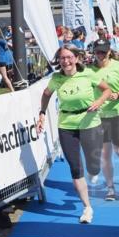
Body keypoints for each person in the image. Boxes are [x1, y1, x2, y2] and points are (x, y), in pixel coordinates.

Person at [37, 45, 112, 224]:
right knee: (75, 168)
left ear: (77, 58)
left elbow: (107, 90)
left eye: (69, 57)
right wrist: (42, 113)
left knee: (93, 162)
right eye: (62, 58)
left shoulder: (88, 74)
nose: (66, 61)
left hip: (90, 122)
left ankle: (94, 170)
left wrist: (99, 102)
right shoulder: (56, 78)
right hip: (67, 125)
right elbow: (46, 94)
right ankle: (87, 207)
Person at [90, 39, 119, 202]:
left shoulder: (118, 66)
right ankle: (110, 189)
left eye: (103, 51)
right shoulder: (89, 70)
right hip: (100, 115)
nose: (100, 54)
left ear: (109, 52)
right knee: (104, 153)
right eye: (97, 51)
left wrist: (118, 94)